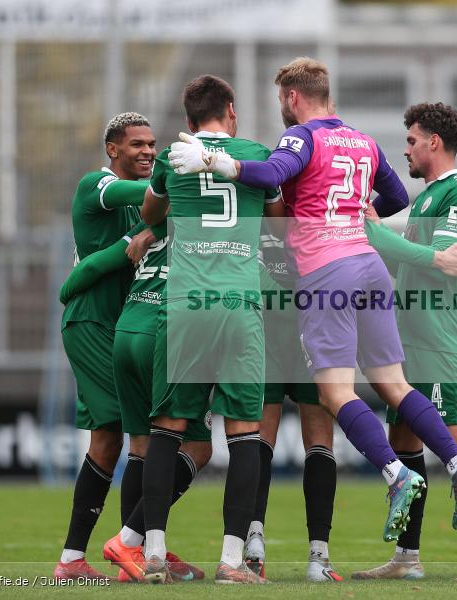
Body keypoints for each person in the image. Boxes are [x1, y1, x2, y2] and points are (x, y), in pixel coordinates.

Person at [169, 58, 457, 547]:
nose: (282, 107)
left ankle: (396, 474)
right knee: (394, 384)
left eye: (281, 98)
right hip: (370, 266)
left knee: (335, 393)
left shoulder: (301, 137)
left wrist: (218, 163)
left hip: (327, 272)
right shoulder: (361, 140)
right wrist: (357, 213)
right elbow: (396, 195)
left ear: (293, 97)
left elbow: (272, 173)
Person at [351, 103, 457, 582]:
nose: (406, 149)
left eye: (411, 140)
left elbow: (441, 260)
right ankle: (407, 558)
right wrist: (378, 234)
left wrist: (374, 231)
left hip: (440, 338)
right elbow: (415, 260)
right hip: (411, 340)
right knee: (403, 442)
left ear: (434, 143)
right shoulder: (428, 196)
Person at [138, 74, 284, 584]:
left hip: (184, 305)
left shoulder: (170, 158)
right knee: (244, 431)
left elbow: (150, 212)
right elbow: (279, 216)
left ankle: (153, 553)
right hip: (238, 303)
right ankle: (231, 561)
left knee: (167, 428)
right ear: (231, 109)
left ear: (188, 119)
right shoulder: (256, 156)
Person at [57, 218, 209, 583]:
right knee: (196, 447)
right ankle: (129, 542)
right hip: (152, 328)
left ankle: (128, 554)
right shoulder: (195, 211)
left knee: (134, 445)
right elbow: (95, 265)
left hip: (125, 328)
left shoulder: (150, 218)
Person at [54, 112, 159, 580]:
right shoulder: (96, 185)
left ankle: (77, 559)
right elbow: (134, 199)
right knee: (138, 432)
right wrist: (172, 187)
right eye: (137, 144)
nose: (148, 151)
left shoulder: (142, 207)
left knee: (109, 439)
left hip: (121, 326)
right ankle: (134, 548)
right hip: (91, 323)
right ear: (113, 150)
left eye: (152, 144)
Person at [243, 227, 342, 582]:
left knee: (260, 438)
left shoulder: (255, 202)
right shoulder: (316, 205)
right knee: (318, 439)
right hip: (310, 327)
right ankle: (319, 558)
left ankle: (253, 545)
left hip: (267, 326)